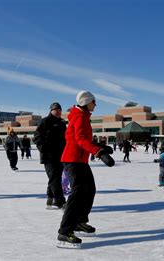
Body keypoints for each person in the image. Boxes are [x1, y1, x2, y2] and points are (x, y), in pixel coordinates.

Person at [57, 91, 114, 249]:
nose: (95, 104)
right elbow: (80, 139)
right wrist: (99, 153)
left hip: (80, 160)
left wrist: (100, 146)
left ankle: (79, 222)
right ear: (86, 102)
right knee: (78, 193)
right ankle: (65, 231)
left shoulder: (82, 115)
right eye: (94, 102)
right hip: (73, 160)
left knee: (89, 190)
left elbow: (83, 139)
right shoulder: (80, 116)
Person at [34, 102, 67, 209]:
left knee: (55, 177)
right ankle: (60, 202)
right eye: (56, 110)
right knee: (55, 178)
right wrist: (43, 149)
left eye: (60, 110)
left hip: (60, 155)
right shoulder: (45, 121)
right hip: (48, 156)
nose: (58, 112)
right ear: (51, 110)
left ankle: (50, 197)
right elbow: (37, 137)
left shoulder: (62, 123)